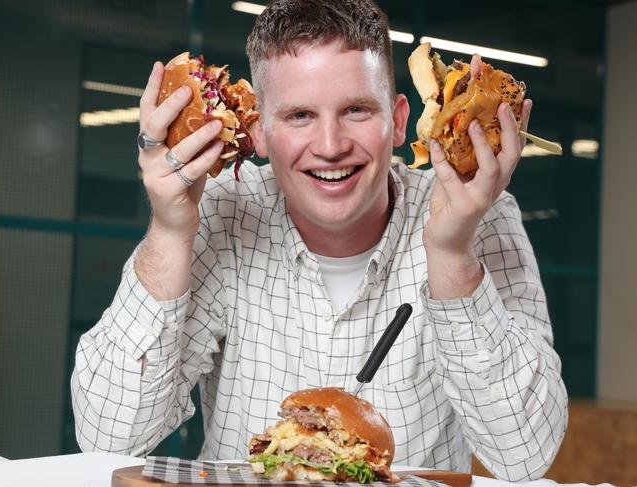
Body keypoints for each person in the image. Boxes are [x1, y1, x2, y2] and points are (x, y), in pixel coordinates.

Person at [71, 0, 567, 481]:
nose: (330, 147)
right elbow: (108, 435)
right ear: (260, 130)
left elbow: (523, 456)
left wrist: (453, 254)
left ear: (397, 121)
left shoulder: (481, 214)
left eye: (355, 110)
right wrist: (170, 230)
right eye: (299, 116)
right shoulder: (220, 209)